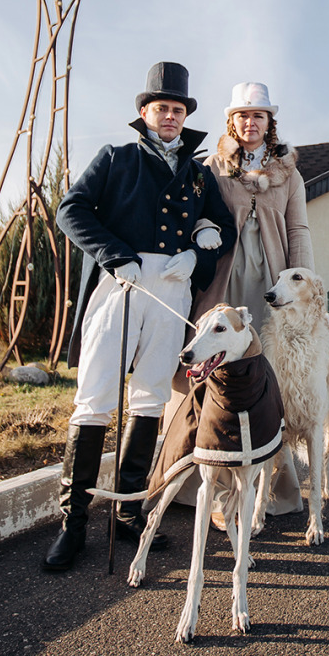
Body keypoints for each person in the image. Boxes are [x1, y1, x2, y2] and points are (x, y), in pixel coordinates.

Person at [44, 62, 236, 573]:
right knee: (96, 398)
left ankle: (128, 514)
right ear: (145, 113)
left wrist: (199, 254)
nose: (170, 116)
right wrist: (113, 252)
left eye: (178, 109)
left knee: (149, 399)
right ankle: (74, 524)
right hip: (121, 282)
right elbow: (71, 210)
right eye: (162, 108)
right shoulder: (117, 157)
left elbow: (225, 227)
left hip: (172, 288)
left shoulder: (198, 174)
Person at [190, 80, 314, 517]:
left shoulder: (290, 173)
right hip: (224, 280)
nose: (250, 122)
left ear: (269, 122)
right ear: (232, 121)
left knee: (266, 377)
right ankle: (216, 491)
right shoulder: (211, 166)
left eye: (258, 115)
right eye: (242, 115)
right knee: (218, 374)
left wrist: (301, 290)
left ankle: (272, 491)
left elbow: (298, 230)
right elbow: (197, 214)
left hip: (272, 283)